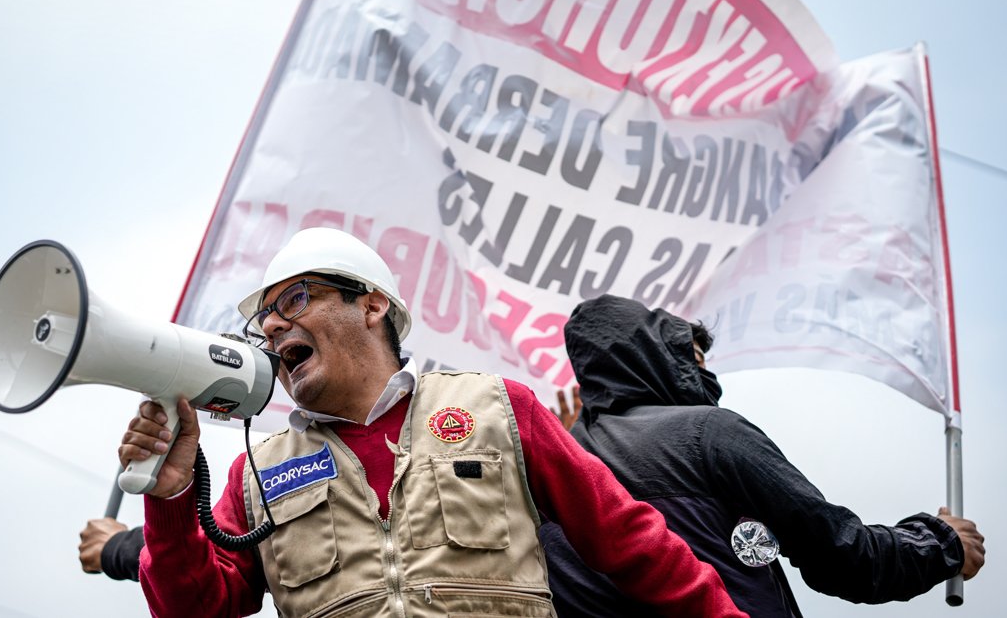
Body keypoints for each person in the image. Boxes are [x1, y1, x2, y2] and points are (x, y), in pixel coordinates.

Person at [118, 227, 746, 617]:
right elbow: (193, 610)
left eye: (295, 300)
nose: (274, 327)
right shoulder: (255, 473)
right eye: (266, 319)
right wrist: (171, 498)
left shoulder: (498, 407)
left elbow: (634, 543)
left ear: (370, 305)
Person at [541, 295, 985, 617]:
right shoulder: (708, 432)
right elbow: (844, 557)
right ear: (656, 361)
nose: (708, 375)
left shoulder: (543, 469)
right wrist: (942, 542)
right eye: (692, 358)